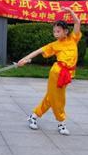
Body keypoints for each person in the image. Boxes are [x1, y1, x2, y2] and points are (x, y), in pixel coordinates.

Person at [16, 7, 81, 135]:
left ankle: (33, 116)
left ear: (66, 31)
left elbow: (77, 22)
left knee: (51, 98)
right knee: (59, 99)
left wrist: (70, 11)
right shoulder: (54, 45)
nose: (55, 33)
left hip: (67, 74)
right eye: (54, 31)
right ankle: (61, 123)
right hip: (56, 72)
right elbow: (38, 51)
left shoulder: (73, 38)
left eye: (58, 31)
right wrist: (23, 60)